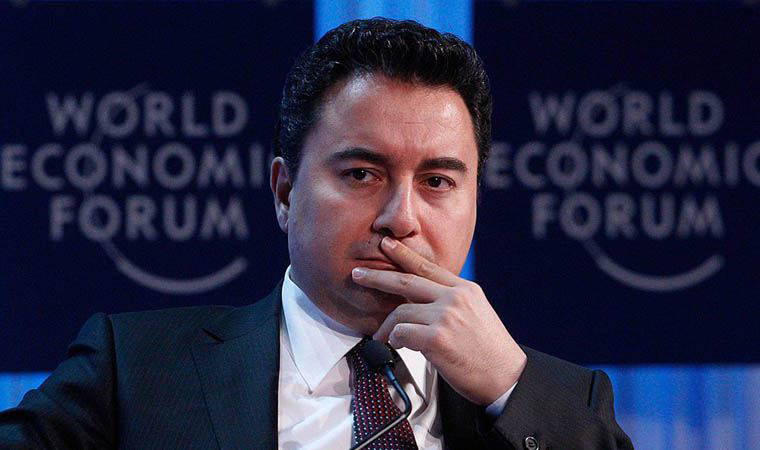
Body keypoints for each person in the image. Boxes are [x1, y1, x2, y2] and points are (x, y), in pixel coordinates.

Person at [0, 18, 633, 449]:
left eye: (437, 181)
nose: (401, 217)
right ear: (284, 191)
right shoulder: (135, 373)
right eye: (362, 174)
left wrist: (511, 389)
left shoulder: (561, 402)